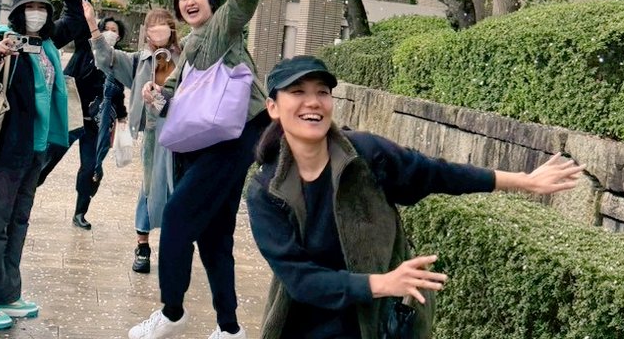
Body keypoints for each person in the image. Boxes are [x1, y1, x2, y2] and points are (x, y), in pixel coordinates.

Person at [247, 55, 585, 339]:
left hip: (379, 324)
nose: (313, 102)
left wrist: (524, 181)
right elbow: (300, 279)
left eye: (323, 92)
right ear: (274, 107)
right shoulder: (266, 190)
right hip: (303, 325)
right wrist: (382, 283)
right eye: (297, 92)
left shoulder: (366, 155)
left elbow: (437, 173)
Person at [129, 0, 278, 339]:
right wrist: (155, 93)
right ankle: (230, 329)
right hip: (208, 141)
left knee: (176, 217)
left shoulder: (224, 26)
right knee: (214, 236)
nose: (188, 1)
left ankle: (172, 312)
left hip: (238, 136)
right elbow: (173, 96)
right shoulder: (191, 46)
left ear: (211, 1)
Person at [0, 0, 86, 331]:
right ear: (18, 12)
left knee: (18, 222)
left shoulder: (47, 44)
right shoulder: (2, 37)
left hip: (37, 148)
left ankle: (7, 292)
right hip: (8, 149)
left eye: (42, 9)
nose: (36, 14)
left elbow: (77, 19)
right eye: (29, 8)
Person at [85, 3, 182, 274]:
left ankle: (176, 245)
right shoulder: (140, 60)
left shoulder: (185, 56)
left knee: (180, 187)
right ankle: (142, 244)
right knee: (151, 185)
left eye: (164, 24)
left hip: (184, 130)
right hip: (154, 131)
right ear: (146, 32)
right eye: (153, 25)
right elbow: (107, 58)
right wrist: (93, 25)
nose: (158, 29)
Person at [38, 0, 128, 230]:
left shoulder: (119, 62)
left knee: (90, 169)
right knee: (48, 158)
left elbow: (119, 94)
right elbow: (79, 12)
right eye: (107, 30)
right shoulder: (84, 46)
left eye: (115, 32)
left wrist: (122, 119)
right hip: (72, 115)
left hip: (97, 125)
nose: (110, 34)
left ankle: (80, 211)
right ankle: (27, 192)